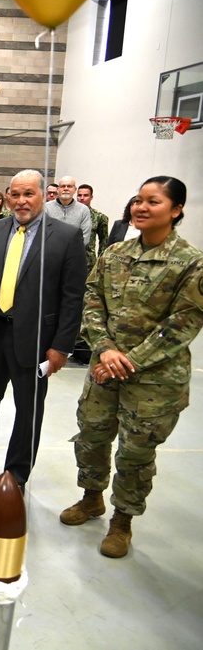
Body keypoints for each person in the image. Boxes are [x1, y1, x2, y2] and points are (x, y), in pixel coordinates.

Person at [60, 177, 203, 558]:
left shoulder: (190, 263)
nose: (140, 207)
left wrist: (130, 361)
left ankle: (123, 521)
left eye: (152, 202)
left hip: (153, 380)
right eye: (137, 200)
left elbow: (184, 322)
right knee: (92, 435)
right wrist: (104, 349)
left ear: (175, 210)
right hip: (104, 369)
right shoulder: (114, 254)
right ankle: (92, 498)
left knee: (136, 453)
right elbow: (91, 301)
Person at [0, 170, 86, 491]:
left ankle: (16, 473)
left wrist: (61, 346)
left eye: (29, 194)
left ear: (44, 196)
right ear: (6, 197)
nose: (21, 201)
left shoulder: (66, 237)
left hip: (37, 340)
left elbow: (73, 298)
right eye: (15, 194)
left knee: (28, 412)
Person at [45, 176, 92, 247]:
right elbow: (43, 232)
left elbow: (85, 236)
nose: (66, 189)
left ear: (75, 189)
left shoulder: (84, 210)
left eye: (69, 186)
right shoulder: (46, 208)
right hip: (50, 252)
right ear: (58, 189)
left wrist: (70, 251)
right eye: (63, 186)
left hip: (74, 253)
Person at [77, 183, 109, 266]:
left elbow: (104, 241)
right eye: (79, 195)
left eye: (85, 195)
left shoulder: (99, 217)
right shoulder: (68, 215)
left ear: (91, 197)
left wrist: (101, 261)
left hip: (88, 262)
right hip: (69, 259)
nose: (82, 198)